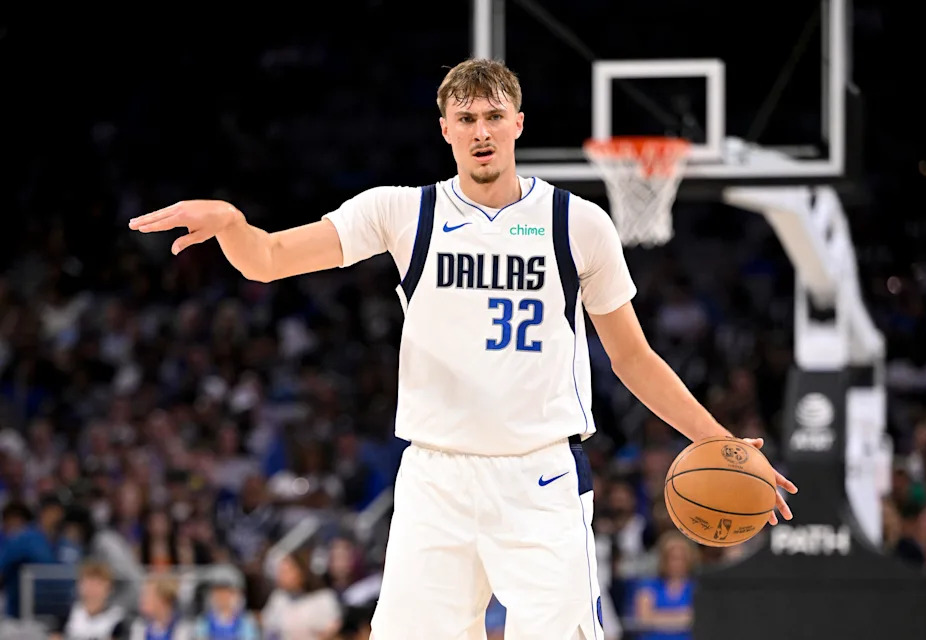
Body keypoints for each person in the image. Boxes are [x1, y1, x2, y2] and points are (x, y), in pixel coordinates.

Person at [129, 57, 797, 639]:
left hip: (540, 476)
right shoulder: (402, 212)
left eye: (494, 116)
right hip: (436, 477)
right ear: (445, 128)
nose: (481, 131)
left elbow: (633, 357)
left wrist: (720, 442)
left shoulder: (578, 224)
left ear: (518, 125)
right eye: (467, 118)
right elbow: (270, 259)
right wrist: (233, 224)